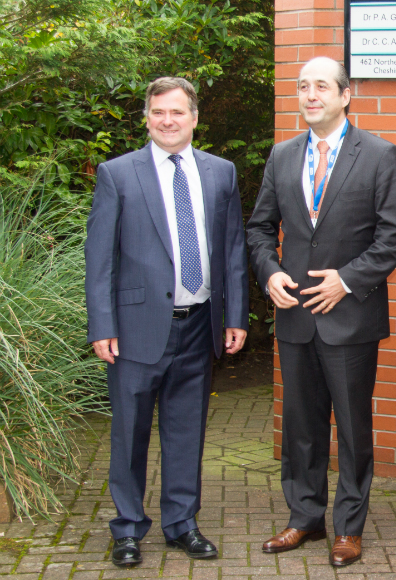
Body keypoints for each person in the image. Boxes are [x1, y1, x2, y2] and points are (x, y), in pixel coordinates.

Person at [246, 57, 396, 566]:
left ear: (345, 96)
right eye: (302, 86)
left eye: (321, 86)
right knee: (300, 426)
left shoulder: (380, 154)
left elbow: (394, 235)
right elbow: (258, 229)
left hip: (350, 318)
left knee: (353, 428)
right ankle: (304, 519)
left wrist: (347, 280)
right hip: (295, 316)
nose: (309, 94)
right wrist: (269, 271)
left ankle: (349, 526)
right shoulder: (282, 156)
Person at [85, 77, 249, 567]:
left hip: (199, 323)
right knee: (130, 432)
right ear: (147, 117)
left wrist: (235, 314)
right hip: (135, 327)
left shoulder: (221, 173)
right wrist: (102, 324)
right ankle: (128, 529)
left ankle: (182, 524)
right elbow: (100, 258)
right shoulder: (118, 174)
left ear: (195, 118)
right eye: (159, 112)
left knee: (186, 430)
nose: (168, 121)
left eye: (178, 112)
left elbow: (234, 249)